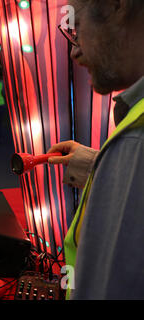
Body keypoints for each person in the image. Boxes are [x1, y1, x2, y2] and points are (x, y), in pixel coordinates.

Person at [48, 0, 144, 299]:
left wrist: (123, 156)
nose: (75, 51)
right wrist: (102, 165)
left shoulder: (136, 139)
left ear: (118, 7)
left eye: (76, 31)